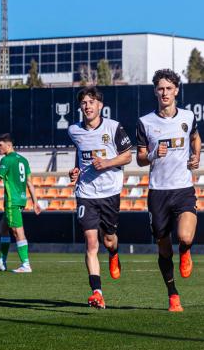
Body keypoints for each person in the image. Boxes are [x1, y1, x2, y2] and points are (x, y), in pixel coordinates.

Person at [136, 69, 199, 312]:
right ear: (155, 91)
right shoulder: (145, 122)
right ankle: (173, 294)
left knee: (185, 237)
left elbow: (195, 138)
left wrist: (195, 156)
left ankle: (185, 251)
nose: (165, 92)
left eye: (169, 88)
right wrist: (153, 154)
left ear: (176, 91)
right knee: (163, 245)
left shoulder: (188, 116)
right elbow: (141, 158)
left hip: (183, 188)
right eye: (160, 88)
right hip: (158, 192)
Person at [68, 86, 132, 309]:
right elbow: (81, 154)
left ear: (100, 106)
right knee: (91, 242)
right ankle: (97, 292)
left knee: (108, 239)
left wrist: (106, 163)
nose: (87, 106)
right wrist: (75, 170)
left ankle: (114, 253)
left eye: (91, 102)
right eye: (84, 103)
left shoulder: (113, 128)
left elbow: (127, 157)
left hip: (110, 193)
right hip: (85, 194)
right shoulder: (74, 130)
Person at [0, 133, 41, 273]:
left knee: (18, 231)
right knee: (3, 228)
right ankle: (1, 262)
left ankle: (25, 264)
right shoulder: (23, 160)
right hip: (21, 199)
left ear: (9, 145)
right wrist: (35, 202)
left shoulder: (6, 160)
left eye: (0, 145)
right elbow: (29, 182)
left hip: (12, 201)